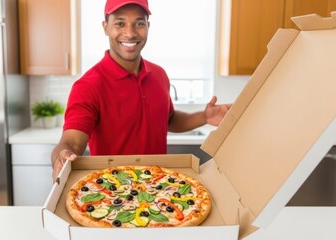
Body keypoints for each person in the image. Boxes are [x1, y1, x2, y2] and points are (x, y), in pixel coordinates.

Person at [51, 0, 231, 180]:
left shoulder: (159, 74)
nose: (130, 33)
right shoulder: (88, 85)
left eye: (139, 24)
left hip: (159, 188)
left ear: (148, 26)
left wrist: (205, 117)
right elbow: (72, 142)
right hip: (112, 192)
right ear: (106, 27)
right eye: (120, 23)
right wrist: (62, 155)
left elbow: (168, 119)